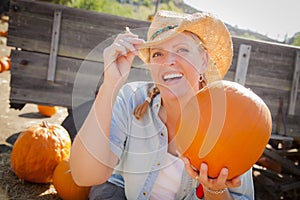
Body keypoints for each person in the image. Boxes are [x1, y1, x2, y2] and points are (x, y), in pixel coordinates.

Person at [70, 10, 254, 200]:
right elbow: (84, 176)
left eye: (182, 50)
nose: (168, 62)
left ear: (204, 60)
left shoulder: (228, 118)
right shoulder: (132, 99)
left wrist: (214, 190)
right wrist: (110, 85)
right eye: (158, 54)